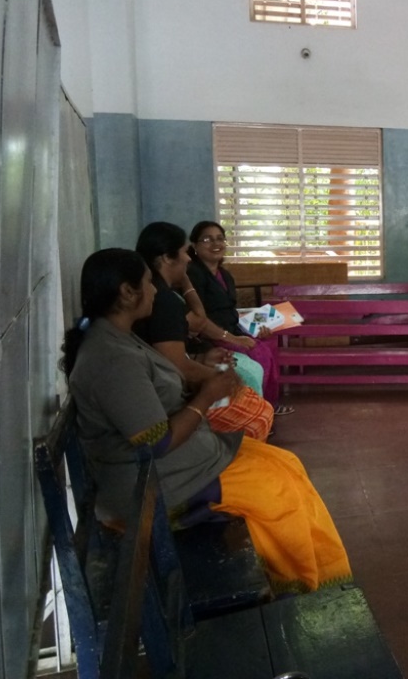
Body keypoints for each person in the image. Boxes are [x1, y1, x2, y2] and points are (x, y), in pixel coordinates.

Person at [62, 248, 352, 593]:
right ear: (127, 292)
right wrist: (208, 395)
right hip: (155, 485)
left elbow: (155, 392)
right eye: (148, 283)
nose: (154, 291)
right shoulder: (111, 359)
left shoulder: (120, 340)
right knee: (277, 491)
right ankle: (300, 583)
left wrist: (202, 365)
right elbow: (157, 441)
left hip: (181, 464)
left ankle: (315, 574)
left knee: (287, 463)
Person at [135, 221, 274, 441]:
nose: (188, 258)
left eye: (220, 238)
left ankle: (253, 419)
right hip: (173, 401)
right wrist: (222, 377)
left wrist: (202, 359)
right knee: (256, 411)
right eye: (184, 251)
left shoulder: (174, 293)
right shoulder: (164, 301)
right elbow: (179, 362)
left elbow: (172, 353)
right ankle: (236, 438)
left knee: (258, 372)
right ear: (167, 258)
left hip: (193, 363)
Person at [186, 220, 292, 415]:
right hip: (209, 338)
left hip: (232, 329)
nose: (215, 244)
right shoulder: (193, 274)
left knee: (267, 345)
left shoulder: (225, 275)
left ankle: (267, 405)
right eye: (207, 239)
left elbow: (229, 311)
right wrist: (234, 339)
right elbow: (198, 318)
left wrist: (253, 328)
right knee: (257, 355)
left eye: (220, 239)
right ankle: (252, 411)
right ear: (194, 246)